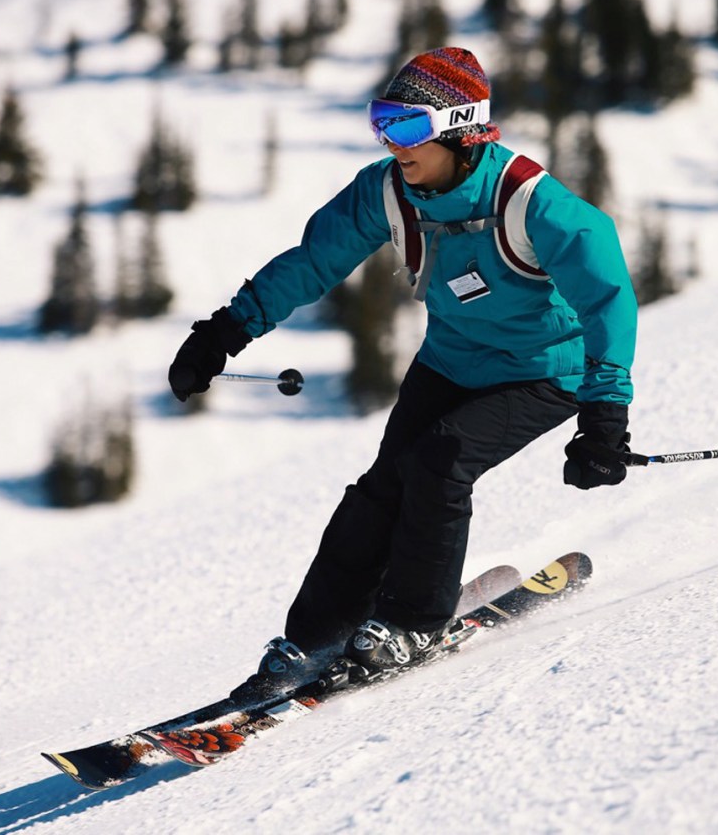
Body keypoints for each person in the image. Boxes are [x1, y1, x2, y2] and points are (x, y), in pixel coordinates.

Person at [168, 48, 637, 701]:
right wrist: (225, 332)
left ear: (462, 129)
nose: (394, 143)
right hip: (449, 360)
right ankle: (313, 637)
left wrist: (605, 415)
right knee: (383, 487)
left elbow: (606, 295)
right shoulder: (388, 190)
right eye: (382, 122)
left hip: (542, 373)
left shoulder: (532, 203)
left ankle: (414, 622)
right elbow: (312, 262)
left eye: (409, 127)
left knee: (441, 462)